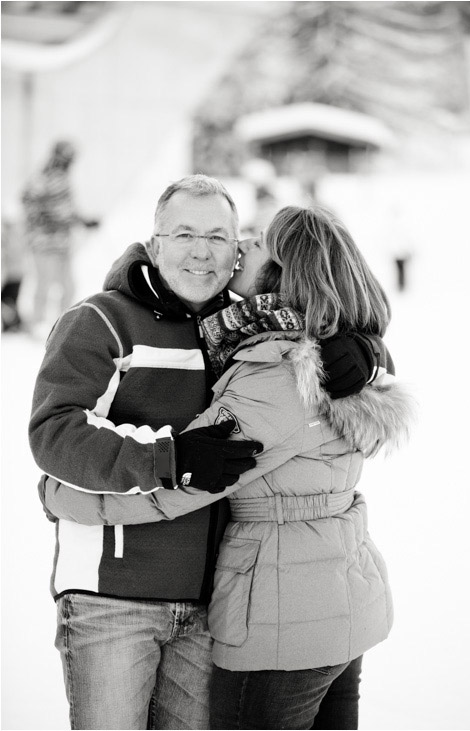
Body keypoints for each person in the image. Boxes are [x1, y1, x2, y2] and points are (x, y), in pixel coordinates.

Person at [30, 176, 384, 729]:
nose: (205, 251)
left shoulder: (250, 338)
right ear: (155, 241)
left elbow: (330, 303)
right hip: (113, 602)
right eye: (185, 233)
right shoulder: (104, 322)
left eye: (222, 237)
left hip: (217, 609)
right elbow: (54, 433)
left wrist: (362, 347)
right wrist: (164, 459)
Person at [21, 140, 99, 327]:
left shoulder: (64, 179)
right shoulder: (43, 177)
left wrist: (85, 221)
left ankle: (61, 323)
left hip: (62, 242)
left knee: (69, 287)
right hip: (44, 242)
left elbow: (67, 210)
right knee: (45, 283)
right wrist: (44, 217)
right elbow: (27, 201)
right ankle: (37, 323)